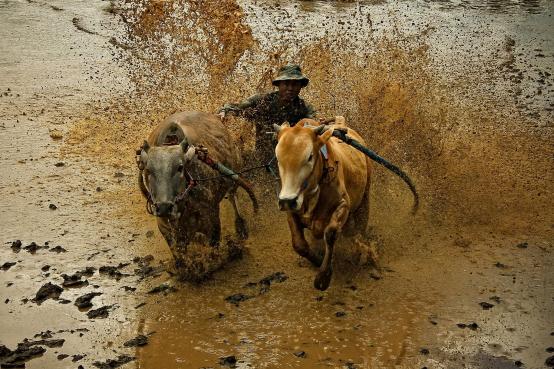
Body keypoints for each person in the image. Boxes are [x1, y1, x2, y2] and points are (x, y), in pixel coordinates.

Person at [218, 64, 316, 161]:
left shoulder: (305, 108)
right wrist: (223, 112)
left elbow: (313, 125)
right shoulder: (262, 100)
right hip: (262, 159)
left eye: (295, 84)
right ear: (279, 85)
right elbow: (233, 108)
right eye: (286, 84)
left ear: (300, 86)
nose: (290, 88)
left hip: (291, 160)